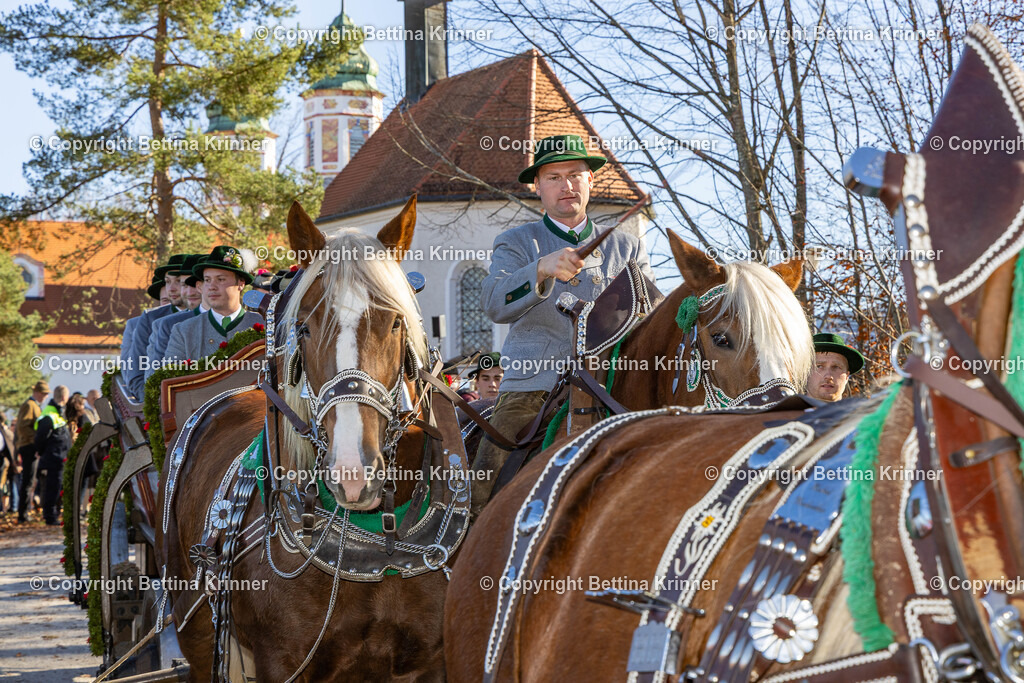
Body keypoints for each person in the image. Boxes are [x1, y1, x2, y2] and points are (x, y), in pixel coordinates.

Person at [470, 134, 654, 512]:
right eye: (553, 177)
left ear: (592, 180)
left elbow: (649, 314)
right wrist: (541, 269)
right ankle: (464, 548)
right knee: (484, 484)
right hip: (533, 386)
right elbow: (493, 302)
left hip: (614, 385)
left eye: (575, 174)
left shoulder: (627, 246)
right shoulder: (517, 242)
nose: (566, 185)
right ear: (536, 186)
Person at [163, 246, 263, 364]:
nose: (211, 286)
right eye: (207, 280)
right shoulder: (184, 331)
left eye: (220, 279)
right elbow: (170, 379)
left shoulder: (265, 325)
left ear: (241, 283)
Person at [124, 254, 189, 399]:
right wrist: (153, 405)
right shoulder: (151, 318)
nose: (171, 289)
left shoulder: (206, 316)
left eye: (178, 281)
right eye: (167, 282)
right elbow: (136, 373)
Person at [145, 254, 209, 380]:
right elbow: (154, 380)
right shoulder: (168, 325)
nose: (190, 292)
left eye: (195, 284)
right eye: (184, 285)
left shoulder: (250, 321)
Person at [34, 385, 71, 525]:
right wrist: (43, 452)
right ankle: (50, 516)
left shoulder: (57, 412)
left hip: (59, 458)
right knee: (52, 488)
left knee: (56, 487)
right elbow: (40, 438)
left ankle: (54, 513)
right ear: (64, 397)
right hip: (53, 458)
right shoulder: (49, 415)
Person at [16, 381, 49, 523]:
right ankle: (23, 514)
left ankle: (24, 512)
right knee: (28, 481)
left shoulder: (34, 405)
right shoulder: (30, 405)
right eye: (43, 393)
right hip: (28, 446)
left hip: (30, 445)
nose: (45, 396)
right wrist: (36, 438)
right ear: (37, 392)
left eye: (46, 394)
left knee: (30, 481)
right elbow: (22, 426)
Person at [807, 332, 865, 402]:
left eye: (836, 367)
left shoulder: (863, 412)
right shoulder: (791, 411)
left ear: (847, 376)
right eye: (819, 366)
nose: (828, 376)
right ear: (806, 373)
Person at [0, 414, 17, 514]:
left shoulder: (5, 432)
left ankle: (6, 508)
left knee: (4, 486)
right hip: (7, 461)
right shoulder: (6, 432)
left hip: (4, 461)